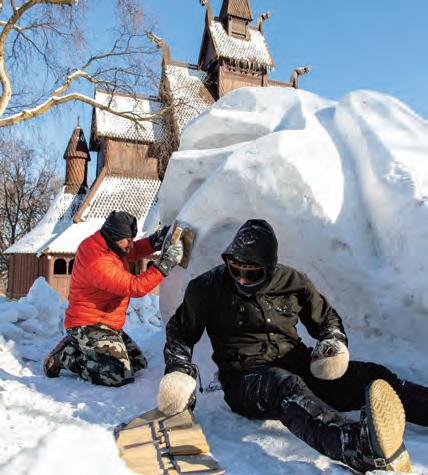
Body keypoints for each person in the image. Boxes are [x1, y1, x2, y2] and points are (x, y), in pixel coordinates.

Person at [157, 219, 428, 473]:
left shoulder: (293, 282)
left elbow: (326, 318)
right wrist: (179, 370)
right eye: (235, 269)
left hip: (295, 362)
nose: (241, 279)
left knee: (371, 376)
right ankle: (358, 447)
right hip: (244, 378)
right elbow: (180, 331)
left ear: (269, 267)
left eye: (251, 273)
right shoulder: (207, 288)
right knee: (286, 387)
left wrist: (332, 344)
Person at [43, 210, 183, 387]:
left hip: (107, 323)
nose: (131, 244)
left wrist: (154, 241)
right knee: (119, 374)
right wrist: (165, 264)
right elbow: (135, 287)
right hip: (88, 324)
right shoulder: (97, 260)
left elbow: (132, 250)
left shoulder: (109, 243)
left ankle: (77, 346)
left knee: (138, 364)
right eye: (128, 240)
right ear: (114, 237)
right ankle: (67, 356)